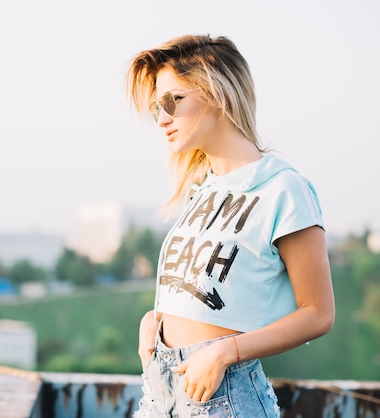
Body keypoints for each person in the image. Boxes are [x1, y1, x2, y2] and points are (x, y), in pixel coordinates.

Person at [125, 34, 335, 417]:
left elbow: (318, 313)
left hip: (223, 399)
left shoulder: (282, 188)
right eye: (157, 107)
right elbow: (208, 293)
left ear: (217, 94)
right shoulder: (202, 191)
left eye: (173, 101)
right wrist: (156, 319)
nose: (162, 118)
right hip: (160, 393)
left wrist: (225, 351)